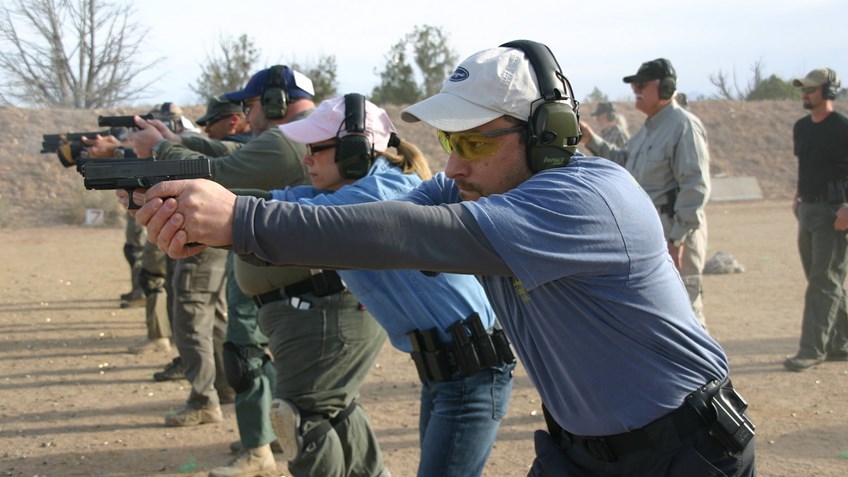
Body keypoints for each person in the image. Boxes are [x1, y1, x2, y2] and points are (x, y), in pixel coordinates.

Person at [132, 41, 755, 476]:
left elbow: (405, 232)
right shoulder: (484, 183)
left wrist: (239, 218)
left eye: (475, 141)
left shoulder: (587, 198)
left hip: (682, 451)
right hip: (581, 448)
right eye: (451, 140)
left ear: (547, 135)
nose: (453, 163)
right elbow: (362, 216)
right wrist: (215, 220)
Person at [134, 67, 390, 477]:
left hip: (316, 308)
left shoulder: (293, 146)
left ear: (276, 101)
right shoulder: (305, 158)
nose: (247, 114)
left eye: (251, 105)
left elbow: (224, 175)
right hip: (304, 304)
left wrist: (165, 154)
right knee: (331, 410)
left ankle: (258, 449)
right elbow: (252, 186)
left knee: (303, 416)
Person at [257, 94, 514, 477]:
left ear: (354, 151)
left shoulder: (383, 193)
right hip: (447, 373)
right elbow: (285, 202)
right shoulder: (354, 194)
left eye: (316, 148)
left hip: (473, 373)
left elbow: (292, 218)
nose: (306, 158)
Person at [580, 58, 711, 328]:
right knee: (660, 311)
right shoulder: (650, 129)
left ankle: (705, 371)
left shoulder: (683, 125)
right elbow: (623, 162)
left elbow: (695, 186)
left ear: (665, 88)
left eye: (641, 85)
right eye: (634, 85)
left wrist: (677, 240)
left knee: (686, 311)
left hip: (674, 231)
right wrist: (591, 139)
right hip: (654, 230)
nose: (635, 90)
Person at [784, 68, 848, 372]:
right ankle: (841, 342)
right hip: (808, 210)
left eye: (811, 89)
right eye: (803, 90)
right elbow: (807, 166)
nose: (805, 94)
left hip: (835, 212)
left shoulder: (843, 128)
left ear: (829, 91)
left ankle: (812, 350)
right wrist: (798, 196)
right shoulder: (802, 127)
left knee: (824, 282)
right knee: (823, 280)